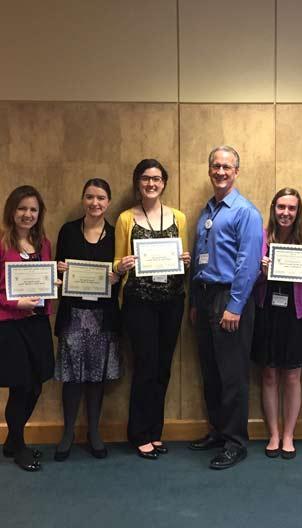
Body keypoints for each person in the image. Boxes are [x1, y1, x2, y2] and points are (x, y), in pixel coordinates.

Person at [189, 145, 262, 470]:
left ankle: (235, 441)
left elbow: (248, 265)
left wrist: (234, 306)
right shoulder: (207, 211)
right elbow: (198, 258)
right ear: (210, 170)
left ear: (236, 171)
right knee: (211, 371)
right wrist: (194, 302)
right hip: (205, 298)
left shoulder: (246, 212)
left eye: (227, 167)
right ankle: (218, 430)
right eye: (215, 166)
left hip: (230, 299)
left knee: (232, 374)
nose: (220, 172)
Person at [114, 159, 190, 460]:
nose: (151, 184)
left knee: (163, 367)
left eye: (157, 179)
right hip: (139, 303)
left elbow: (184, 260)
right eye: (146, 178)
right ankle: (139, 433)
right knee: (145, 366)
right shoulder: (125, 219)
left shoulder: (179, 217)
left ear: (164, 183)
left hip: (172, 301)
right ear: (137, 182)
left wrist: (185, 261)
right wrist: (121, 265)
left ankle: (155, 431)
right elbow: (115, 263)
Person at [253, 188, 302, 459]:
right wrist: (260, 272)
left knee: (293, 376)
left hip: (295, 316)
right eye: (281, 207)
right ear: (273, 208)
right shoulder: (260, 237)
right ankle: (273, 433)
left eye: (291, 208)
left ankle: (289, 435)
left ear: (298, 212)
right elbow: (251, 281)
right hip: (266, 312)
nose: (285, 213)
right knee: (269, 374)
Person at [54, 178, 121, 461]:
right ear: (83, 199)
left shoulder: (117, 234)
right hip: (73, 315)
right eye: (90, 197)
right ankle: (68, 432)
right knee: (72, 378)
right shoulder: (68, 231)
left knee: (97, 378)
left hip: (103, 317)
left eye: (101, 198)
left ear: (108, 202)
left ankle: (94, 431)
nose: (95, 203)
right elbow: (57, 273)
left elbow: (122, 274)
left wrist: (117, 277)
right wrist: (59, 270)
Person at [0, 186, 55, 471]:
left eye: (33, 209)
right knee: (20, 386)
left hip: (37, 323)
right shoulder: (1, 243)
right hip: (10, 325)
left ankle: (12, 441)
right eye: (22, 208)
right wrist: (14, 303)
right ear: (12, 210)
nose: (27, 214)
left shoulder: (43, 244)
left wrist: (53, 284)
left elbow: (43, 282)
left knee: (35, 385)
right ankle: (19, 446)